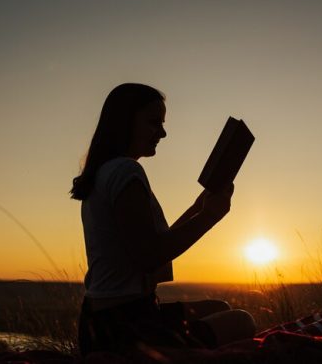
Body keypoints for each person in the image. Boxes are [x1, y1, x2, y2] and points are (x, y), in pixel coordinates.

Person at [71, 83, 255, 355]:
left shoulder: (105, 172)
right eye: (154, 123)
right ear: (125, 122)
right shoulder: (125, 171)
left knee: (221, 309)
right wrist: (210, 216)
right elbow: (150, 256)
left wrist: (197, 208)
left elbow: (151, 243)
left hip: (104, 321)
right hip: (127, 329)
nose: (163, 133)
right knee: (242, 321)